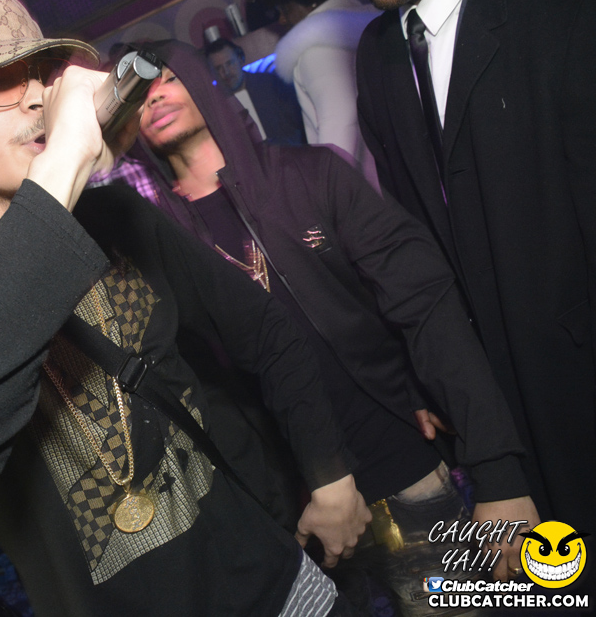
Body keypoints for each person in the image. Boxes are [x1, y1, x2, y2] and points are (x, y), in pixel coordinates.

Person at [0, 0, 374, 617]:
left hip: (280, 587)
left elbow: (264, 329)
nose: (34, 97)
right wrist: (64, 160)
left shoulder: (117, 216)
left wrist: (329, 473)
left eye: (37, 72)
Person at [132, 39, 539, 611]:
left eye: (167, 78)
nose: (154, 97)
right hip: (290, 507)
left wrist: (486, 455)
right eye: (138, 93)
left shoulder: (309, 174)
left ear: (203, 81)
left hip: (394, 459)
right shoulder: (154, 242)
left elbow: (421, 302)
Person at [350, 0, 596, 539]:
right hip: (490, 406)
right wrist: (433, 376)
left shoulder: (565, 7)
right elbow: (414, 240)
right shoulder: (378, 50)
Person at [259, 0, 380, 189]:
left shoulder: (317, 49)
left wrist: (330, 191)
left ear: (310, 1)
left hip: (365, 187)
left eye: (285, 8)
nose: (282, 19)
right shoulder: (367, 26)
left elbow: (339, 123)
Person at [204, 39, 306, 146]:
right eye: (218, 68)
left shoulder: (271, 84)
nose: (226, 72)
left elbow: (299, 123)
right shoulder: (216, 106)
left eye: (229, 63)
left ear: (240, 60)